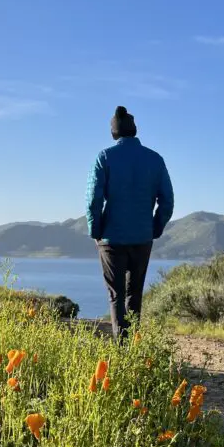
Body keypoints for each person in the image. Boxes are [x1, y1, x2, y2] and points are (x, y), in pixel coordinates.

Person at [86, 105, 174, 341]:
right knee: (134, 295)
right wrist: (155, 228)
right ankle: (134, 345)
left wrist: (95, 230)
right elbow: (167, 201)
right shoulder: (155, 159)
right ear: (134, 130)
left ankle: (122, 347)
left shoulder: (104, 157)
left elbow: (93, 199)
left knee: (116, 295)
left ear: (113, 132)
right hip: (142, 237)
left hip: (111, 239)